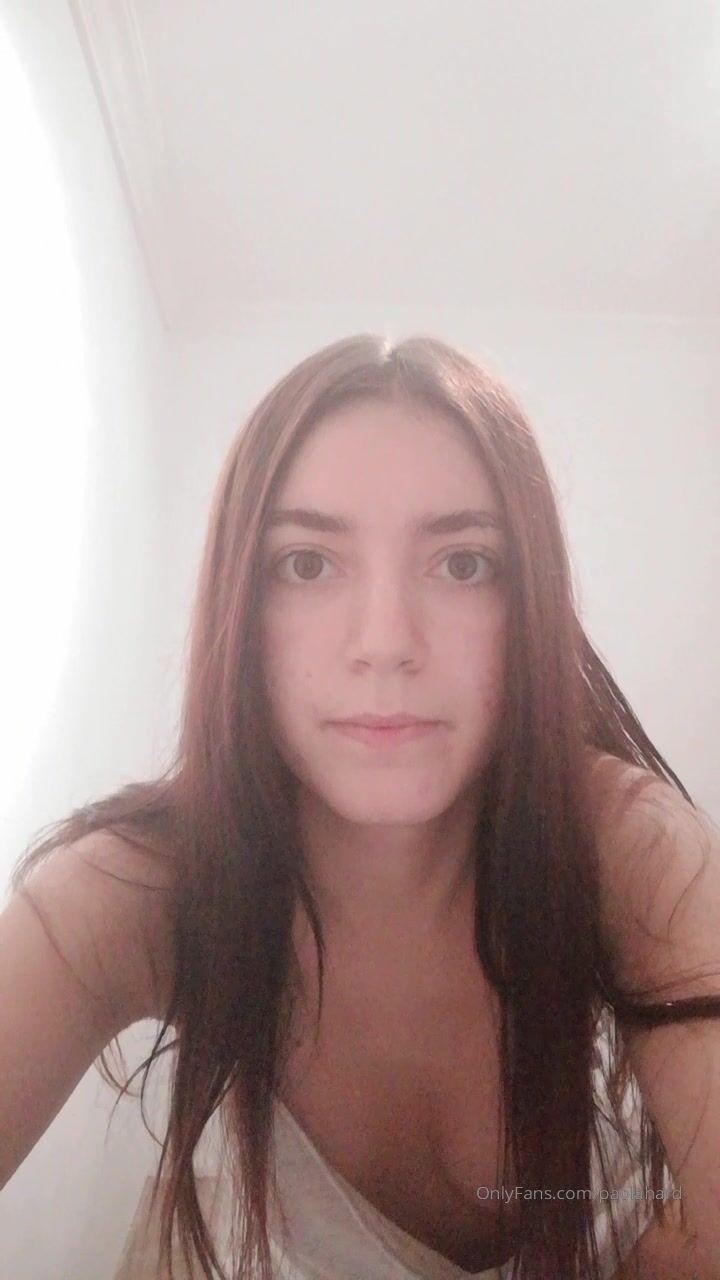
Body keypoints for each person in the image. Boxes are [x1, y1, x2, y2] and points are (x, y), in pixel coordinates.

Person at [2, 333, 720, 1280]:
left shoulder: (623, 846)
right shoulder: (137, 888)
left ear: (531, 605)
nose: (385, 641)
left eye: (463, 564)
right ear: (237, 607)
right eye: (306, 564)